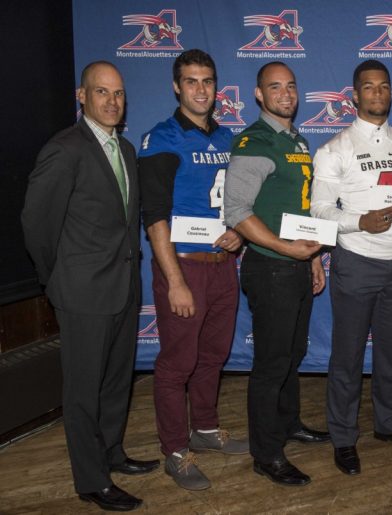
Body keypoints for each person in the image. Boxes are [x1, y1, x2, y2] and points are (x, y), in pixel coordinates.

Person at [22, 61, 158, 511]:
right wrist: (54, 278)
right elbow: (37, 223)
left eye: (118, 93)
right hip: (81, 292)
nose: (112, 101)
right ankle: (91, 479)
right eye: (101, 92)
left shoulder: (127, 151)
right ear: (82, 97)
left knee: (117, 381)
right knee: (82, 392)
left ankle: (112, 453)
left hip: (122, 288)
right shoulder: (65, 149)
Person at [311, 59, 392, 476]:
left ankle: (388, 424)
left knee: (390, 354)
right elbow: (320, 210)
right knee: (346, 358)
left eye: (384, 87)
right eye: (369, 87)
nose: (377, 93)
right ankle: (343, 437)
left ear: (390, 93)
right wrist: (359, 221)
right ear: (355, 95)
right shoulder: (334, 149)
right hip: (356, 261)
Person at [138, 49, 248, 491]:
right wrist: (175, 282)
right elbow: (155, 216)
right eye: (191, 81)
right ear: (176, 86)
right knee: (176, 363)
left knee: (213, 356)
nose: (200, 89)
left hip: (224, 265)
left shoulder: (227, 139)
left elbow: (236, 205)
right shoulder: (162, 137)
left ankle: (204, 429)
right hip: (183, 266)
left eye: (207, 81)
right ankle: (175, 450)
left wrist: (238, 234)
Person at [224, 61, 329, 488]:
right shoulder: (255, 141)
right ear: (259, 95)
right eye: (275, 87)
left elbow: (300, 209)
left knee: (293, 357)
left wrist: (314, 258)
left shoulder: (297, 140)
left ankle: (288, 425)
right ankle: (266, 454)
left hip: (296, 267)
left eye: (291, 86)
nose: (285, 94)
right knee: (270, 365)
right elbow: (236, 212)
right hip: (270, 268)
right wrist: (287, 249)